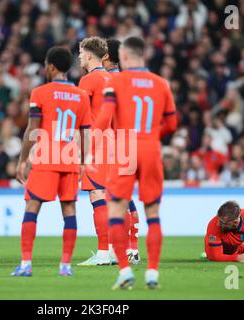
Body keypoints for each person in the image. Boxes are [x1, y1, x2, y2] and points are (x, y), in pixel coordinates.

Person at [95, 36, 178, 289]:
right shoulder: (161, 83)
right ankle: (152, 272)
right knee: (152, 213)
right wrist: (152, 136)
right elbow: (172, 124)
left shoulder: (115, 81)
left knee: (117, 209)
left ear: (126, 56)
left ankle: (124, 271)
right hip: (151, 149)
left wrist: (87, 147)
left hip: (124, 148)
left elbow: (104, 119)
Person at [12, 46, 91, 277]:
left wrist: (22, 159)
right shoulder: (81, 96)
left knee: (32, 207)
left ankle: (26, 264)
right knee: (69, 210)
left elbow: (32, 129)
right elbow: (86, 133)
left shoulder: (40, 93)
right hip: (69, 160)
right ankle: (65, 266)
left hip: (45, 159)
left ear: (51, 67)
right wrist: (84, 162)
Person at [77, 36, 116, 266]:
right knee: (109, 197)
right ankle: (111, 250)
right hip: (113, 141)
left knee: (97, 194)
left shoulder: (88, 81)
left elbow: (81, 116)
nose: (79, 57)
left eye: (81, 53)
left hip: (95, 142)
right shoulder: (112, 78)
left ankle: (103, 253)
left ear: (90, 55)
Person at [102, 37, 140, 264]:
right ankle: (131, 248)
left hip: (116, 143)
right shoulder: (128, 79)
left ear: (106, 55)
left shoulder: (109, 80)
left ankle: (126, 249)